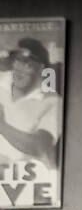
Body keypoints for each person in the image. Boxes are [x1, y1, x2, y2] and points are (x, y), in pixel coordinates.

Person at [0, 38, 61, 172]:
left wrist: (2, 125)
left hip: (23, 178)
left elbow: (40, 146)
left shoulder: (52, 102)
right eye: (17, 61)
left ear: (40, 68)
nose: (19, 69)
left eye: (28, 64)